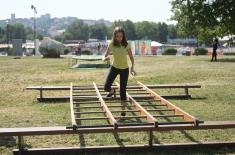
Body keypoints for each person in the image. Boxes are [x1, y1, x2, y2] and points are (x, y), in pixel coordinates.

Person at [102, 27, 136, 116]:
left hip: (124, 69)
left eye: (121, 36)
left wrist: (132, 68)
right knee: (106, 87)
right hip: (114, 67)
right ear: (114, 36)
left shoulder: (126, 45)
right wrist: (104, 58)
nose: (119, 38)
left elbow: (131, 58)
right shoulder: (112, 44)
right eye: (117, 36)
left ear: (123, 36)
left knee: (122, 91)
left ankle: (123, 110)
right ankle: (112, 91)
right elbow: (104, 55)